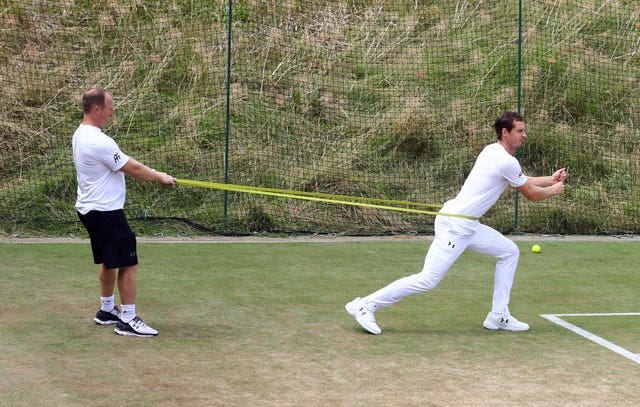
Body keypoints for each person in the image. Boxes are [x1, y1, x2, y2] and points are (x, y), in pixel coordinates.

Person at [346, 111, 567, 335]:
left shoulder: (492, 151)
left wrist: (550, 179)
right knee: (428, 279)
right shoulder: (505, 161)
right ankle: (365, 305)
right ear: (505, 132)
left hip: (469, 226)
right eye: (520, 131)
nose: (524, 135)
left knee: (509, 252)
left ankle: (498, 315)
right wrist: (553, 190)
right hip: (455, 226)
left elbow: (515, 181)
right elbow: (531, 194)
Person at [73, 88, 176, 337]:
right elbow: (135, 169)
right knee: (128, 262)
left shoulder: (81, 133)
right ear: (97, 109)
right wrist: (159, 176)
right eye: (110, 107)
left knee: (110, 260)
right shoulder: (99, 141)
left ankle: (107, 311)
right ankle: (128, 319)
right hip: (105, 212)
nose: (113, 111)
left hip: (91, 209)